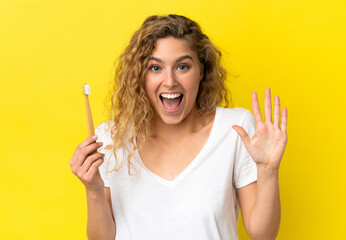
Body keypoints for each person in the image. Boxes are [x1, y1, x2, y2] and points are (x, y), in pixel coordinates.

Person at [69, 14, 288, 240]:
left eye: (182, 66)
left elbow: (263, 235)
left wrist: (268, 171)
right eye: (155, 68)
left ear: (201, 72)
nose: (170, 81)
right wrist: (93, 189)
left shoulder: (234, 130)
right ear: (140, 76)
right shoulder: (111, 138)